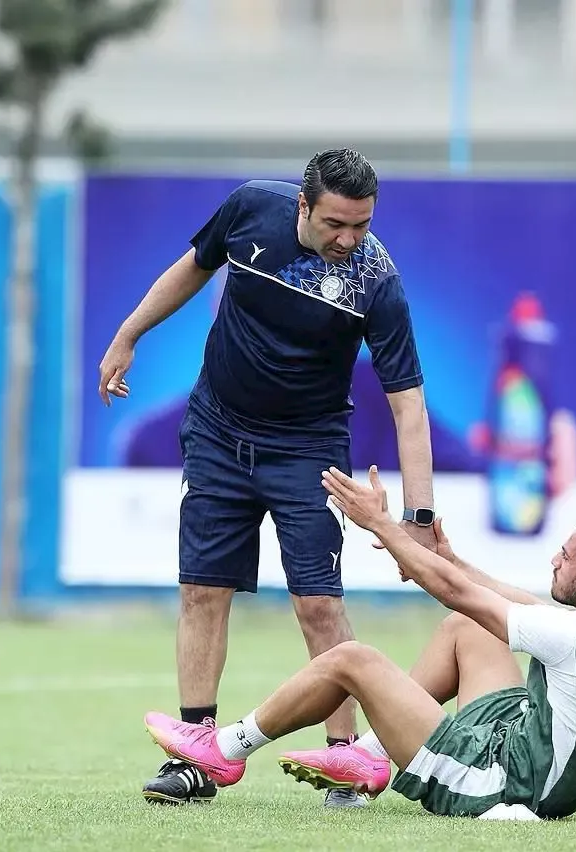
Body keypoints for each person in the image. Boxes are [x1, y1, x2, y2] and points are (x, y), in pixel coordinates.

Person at [98, 149, 439, 808]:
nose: (349, 240)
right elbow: (191, 270)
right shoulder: (253, 207)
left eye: (361, 225)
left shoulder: (376, 280)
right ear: (303, 206)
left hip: (309, 451)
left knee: (318, 604)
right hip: (218, 434)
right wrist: (128, 334)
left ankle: (345, 761)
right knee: (203, 591)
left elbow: (408, 403)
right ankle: (197, 755)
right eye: (336, 224)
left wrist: (418, 522)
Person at [143, 465, 576, 820]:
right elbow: (502, 601)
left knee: (351, 659)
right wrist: (449, 560)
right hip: (529, 759)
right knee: (469, 628)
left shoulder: (571, 636)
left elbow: (456, 594)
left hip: (498, 783)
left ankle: (224, 750)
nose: (554, 560)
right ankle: (368, 755)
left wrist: (380, 525)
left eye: (566, 557)